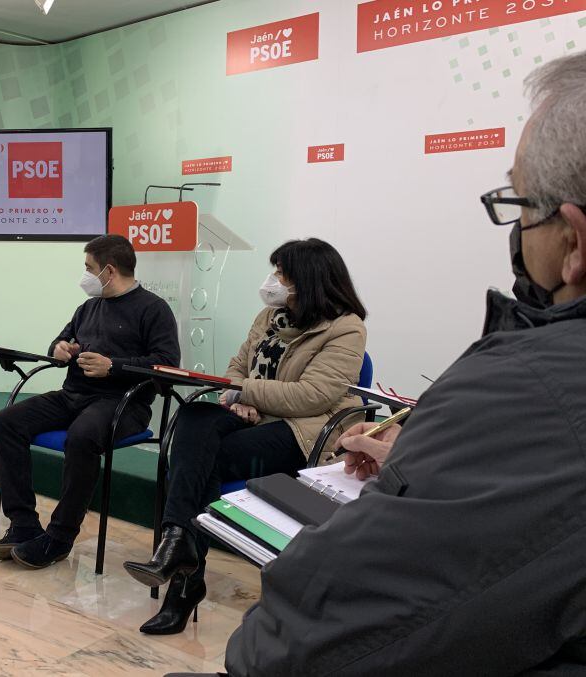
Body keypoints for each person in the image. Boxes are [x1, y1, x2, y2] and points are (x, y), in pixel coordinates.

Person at [224, 52, 586, 675]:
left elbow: (309, 637)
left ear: (573, 242)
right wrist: (431, 468)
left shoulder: (522, 388)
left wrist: (426, 477)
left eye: (519, 204)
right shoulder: (269, 320)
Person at [124, 238, 367, 635]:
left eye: (282, 274)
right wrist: (237, 394)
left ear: (308, 280)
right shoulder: (269, 315)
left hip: (300, 430)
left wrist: (245, 392)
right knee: (194, 417)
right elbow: (238, 365)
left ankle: (181, 572)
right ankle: (179, 548)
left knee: (202, 459)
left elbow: (313, 396)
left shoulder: (346, 328)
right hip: (252, 416)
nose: (273, 281)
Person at [0, 234, 181, 569]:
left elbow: (167, 365)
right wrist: (59, 347)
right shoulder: (89, 307)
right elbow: (62, 339)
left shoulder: (154, 309)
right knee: (6, 421)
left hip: (125, 404)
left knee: (82, 437)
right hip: (74, 395)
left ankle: (60, 537)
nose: (85, 274)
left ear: (109, 270)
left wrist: (114, 366)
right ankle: (23, 525)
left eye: (89, 267)